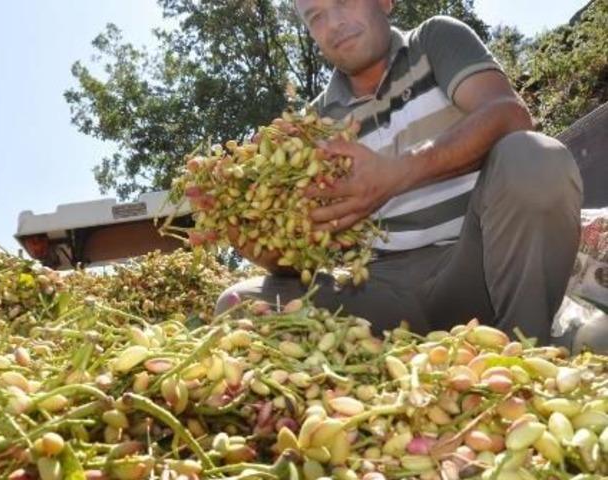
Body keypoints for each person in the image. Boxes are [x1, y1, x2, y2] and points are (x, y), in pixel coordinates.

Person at [216, 0, 583, 345]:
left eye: (344, 1)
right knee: (238, 306)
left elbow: (508, 114)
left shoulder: (434, 41)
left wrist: (397, 173)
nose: (334, 24)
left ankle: (526, 353)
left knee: (535, 157)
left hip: (478, 270)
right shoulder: (313, 128)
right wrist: (257, 242)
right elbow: (305, 255)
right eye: (316, 16)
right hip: (381, 294)